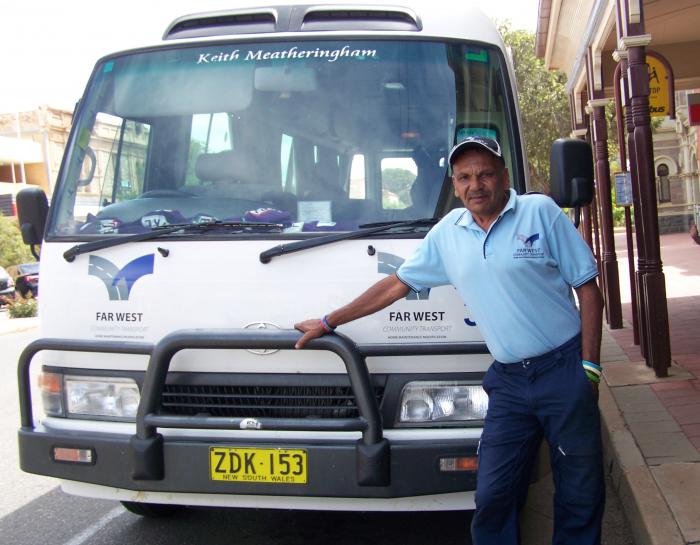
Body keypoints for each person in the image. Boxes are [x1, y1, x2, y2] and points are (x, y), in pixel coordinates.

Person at [295, 135, 605, 545]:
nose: (475, 185)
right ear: (454, 186)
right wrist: (329, 320)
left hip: (562, 368)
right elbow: (395, 285)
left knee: (579, 488)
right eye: (464, 177)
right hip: (509, 382)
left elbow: (588, 288)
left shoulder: (540, 212)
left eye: (485, 174)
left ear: (504, 177)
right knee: (493, 492)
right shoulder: (448, 233)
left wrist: (590, 367)